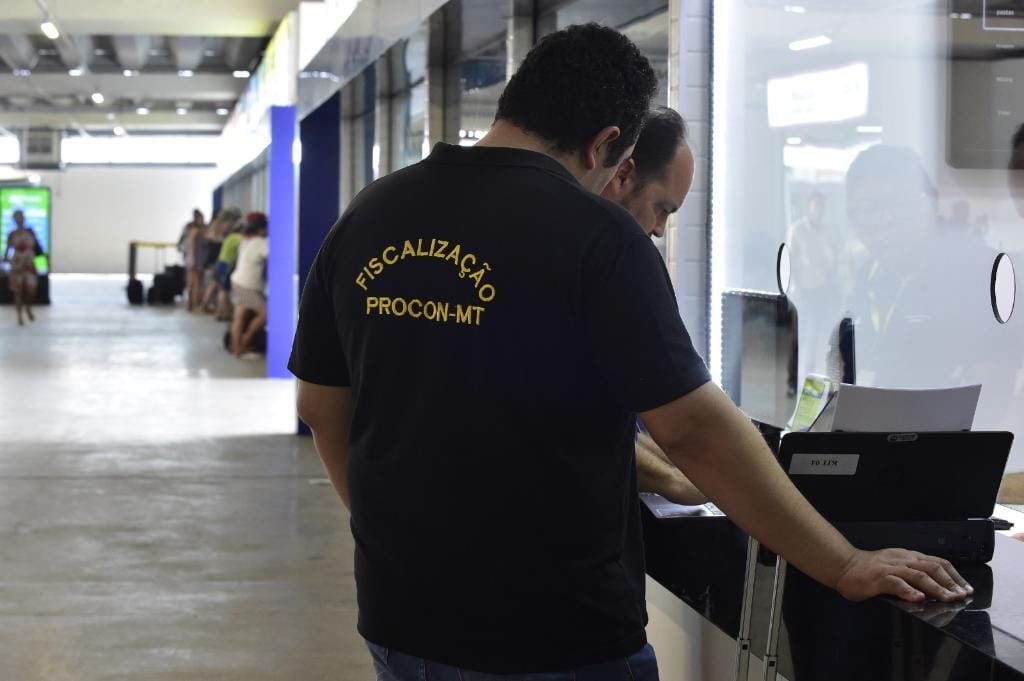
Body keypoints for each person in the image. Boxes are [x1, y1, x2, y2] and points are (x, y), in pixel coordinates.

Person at [290, 24, 969, 681]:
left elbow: (321, 406)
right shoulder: (598, 237)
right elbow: (694, 430)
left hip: (400, 622)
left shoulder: (371, 213)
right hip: (552, 635)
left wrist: (393, 543)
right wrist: (844, 563)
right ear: (606, 144)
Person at [600, 107, 704, 506]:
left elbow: (618, 423)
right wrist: (677, 481)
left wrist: (679, 470)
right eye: (663, 208)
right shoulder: (623, 255)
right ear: (623, 175)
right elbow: (686, 429)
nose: (659, 229)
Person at [229, 213, 269, 357]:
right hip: (248, 284)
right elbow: (275, 255)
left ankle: (236, 348)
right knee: (265, 313)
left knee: (239, 317)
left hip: (237, 281)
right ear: (261, 230)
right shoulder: (260, 242)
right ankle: (246, 339)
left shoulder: (246, 240)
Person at [3, 210, 40, 326]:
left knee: (31, 289)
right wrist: (5, 263)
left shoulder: (30, 232)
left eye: (21, 217)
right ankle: (19, 315)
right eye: (17, 217)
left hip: (29, 263)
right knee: (18, 291)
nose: (19, 219)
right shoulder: (12, 234)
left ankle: (28, 307)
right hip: (17, 264)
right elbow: (7, 250)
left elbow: (37, 247)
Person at [179, 208, 206, 312]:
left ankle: (190, 304)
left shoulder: (189, 229)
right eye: (201, 219)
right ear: (198, 219)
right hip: (195, 258)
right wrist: (194, 259)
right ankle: (193, 304)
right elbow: (193, 246)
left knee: (191, 282)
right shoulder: (196, 231)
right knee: (195, 283)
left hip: (190, 257)